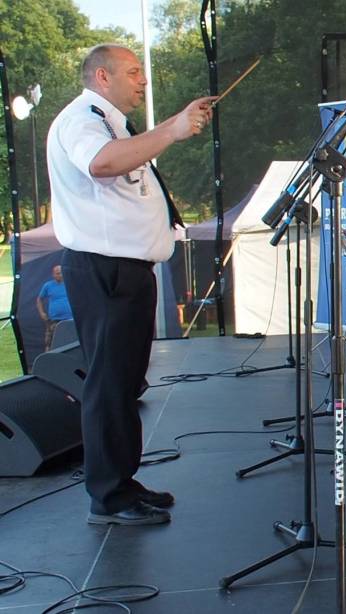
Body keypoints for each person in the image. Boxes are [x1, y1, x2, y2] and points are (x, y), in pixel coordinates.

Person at [46, 44, 214, 525]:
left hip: (126, 271)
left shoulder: (112, 121)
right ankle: (109, 495)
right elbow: (101, 163)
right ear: (102, 76)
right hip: (105, 270)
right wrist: (174, 129)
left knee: (125, 381)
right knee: (109, 382)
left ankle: (121, 479)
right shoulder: (82, 120)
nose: (142, 81)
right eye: (133, 72)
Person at [37, 264, 73, 351]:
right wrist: (41, 312)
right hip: (54, 320)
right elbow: (39, 299)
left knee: (72, 341)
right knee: (50, 342)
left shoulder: (70, 283)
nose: (59, 275)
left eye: (60, 273)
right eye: (57, 273)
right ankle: (48, 361)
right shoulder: (48, 286)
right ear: (53, 274)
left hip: (71, 319)